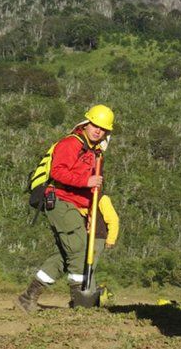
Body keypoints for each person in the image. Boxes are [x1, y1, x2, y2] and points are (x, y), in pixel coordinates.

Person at [15, 104, 114, 312]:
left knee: (65, 254)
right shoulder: (70, 143)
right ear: (86, 123)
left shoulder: (96, 153)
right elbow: (58, 172)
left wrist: (89, 213)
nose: (98, 130)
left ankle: (28, 297)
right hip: (59, 200)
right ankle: (80, 303)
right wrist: (86, 181)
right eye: (95, 125)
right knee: (78, 248)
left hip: (77, 206)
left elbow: (92, 190)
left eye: (103, 128)